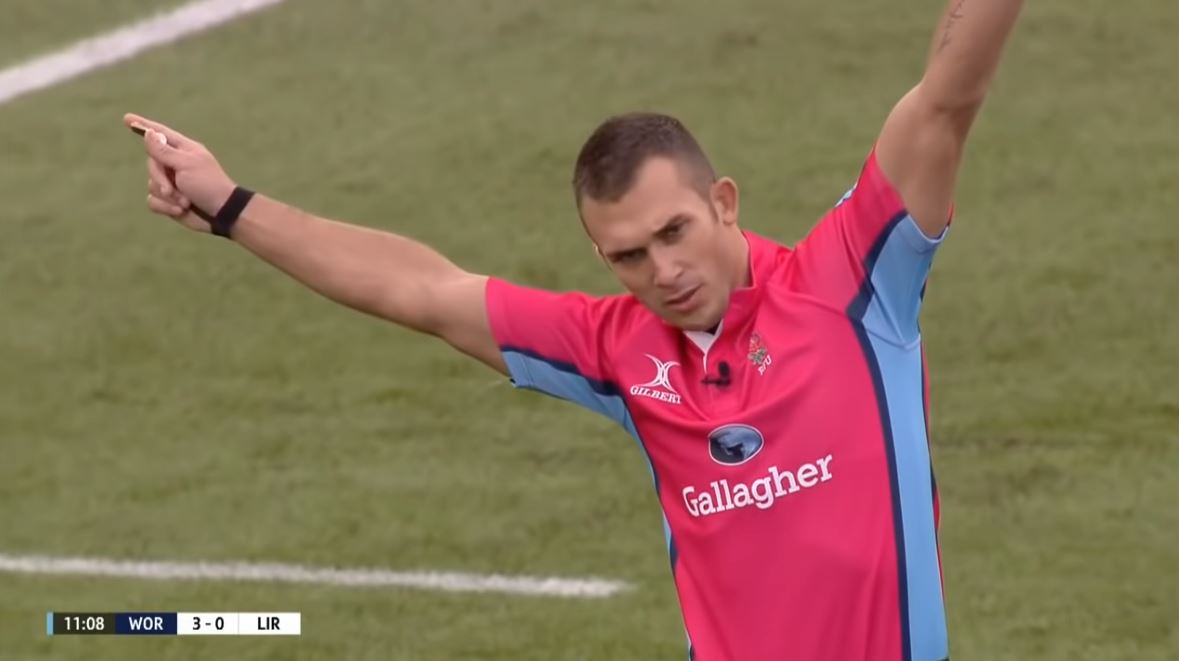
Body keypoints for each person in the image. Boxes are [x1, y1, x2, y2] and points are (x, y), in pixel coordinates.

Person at [125, 1, 1023, 658]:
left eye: (673, 232)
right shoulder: (616, 349)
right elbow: (423, 290)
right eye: (627, 255)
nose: (662, 272)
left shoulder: (853, 281)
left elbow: (944, 101)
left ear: (722, 201)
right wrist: (232, 206)